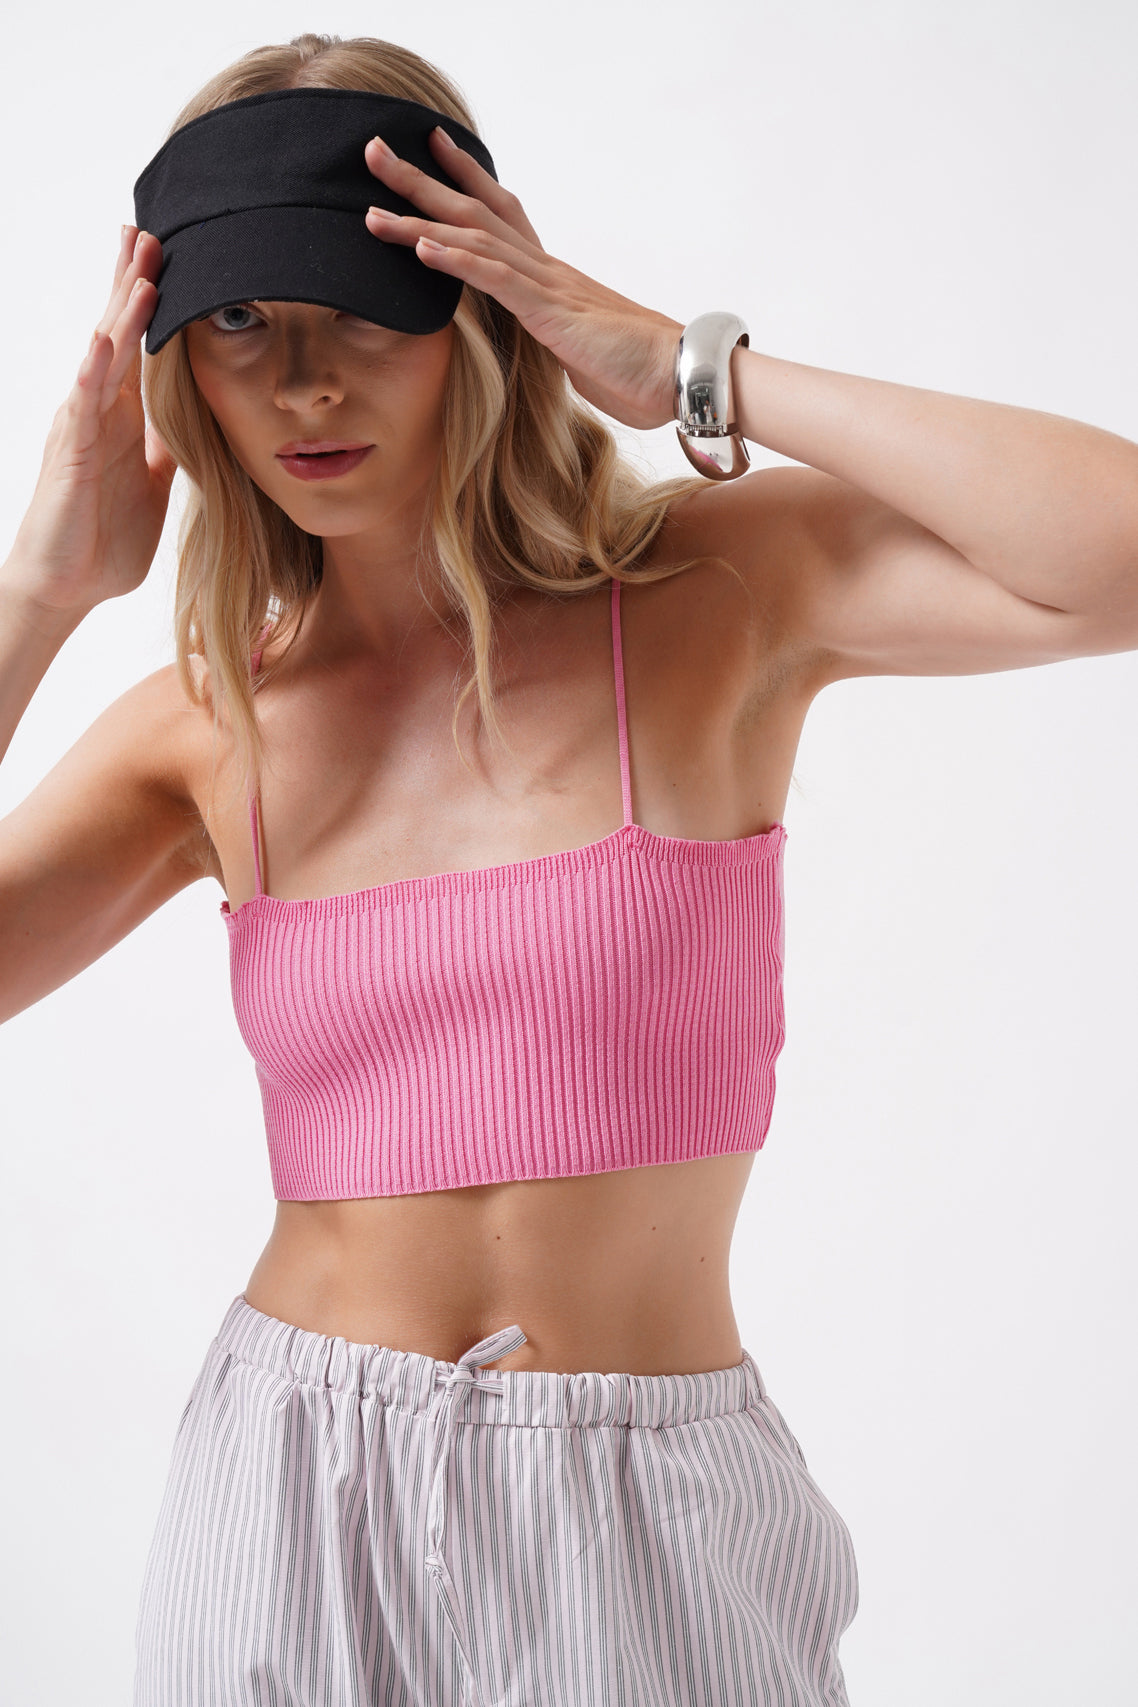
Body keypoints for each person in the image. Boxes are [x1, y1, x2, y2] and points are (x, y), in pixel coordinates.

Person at [2, 29, 1136, 1707]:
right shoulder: (207, 725)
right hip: (292, 1488)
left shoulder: (709, 598)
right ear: (178, 368)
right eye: (241, 324)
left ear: (482, 311)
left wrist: (686, 367)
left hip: (645, 1502)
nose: (304, 382)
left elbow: (1111, 558)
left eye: (362, 311)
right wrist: (38, 596)